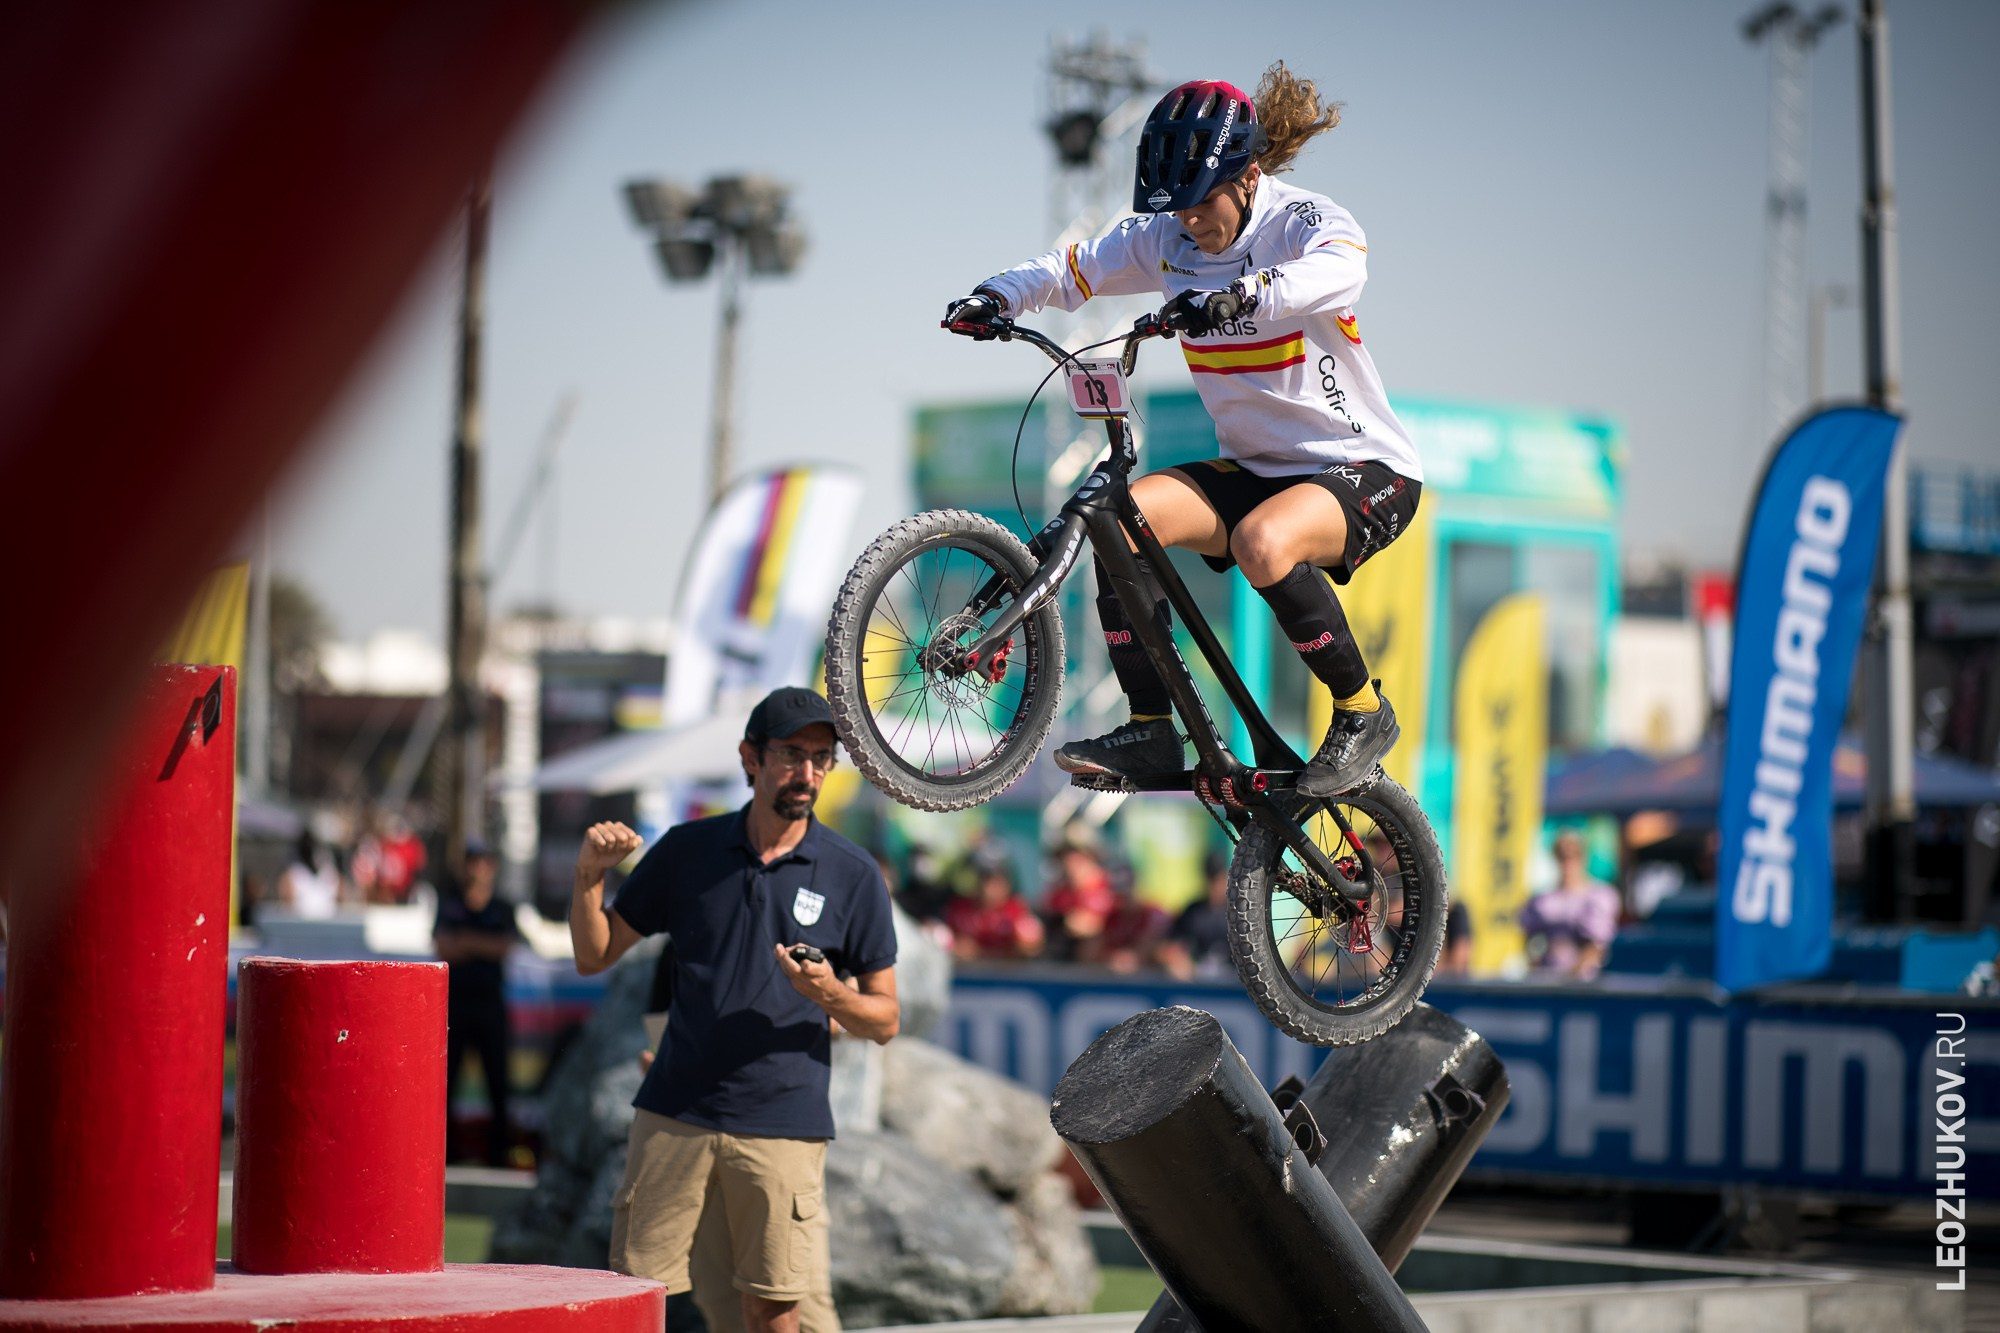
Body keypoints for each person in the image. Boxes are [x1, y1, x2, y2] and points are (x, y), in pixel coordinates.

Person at [945, 64, 1421, 800]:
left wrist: (1239, 296)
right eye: (1176, 209)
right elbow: (1071, 270)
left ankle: (1362, 711)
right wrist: (995, 295)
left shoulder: (1303, 222)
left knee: (1263, 542)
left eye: (1203, 204)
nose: (1190, 222)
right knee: (1117, 523)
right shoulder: (1165, 236)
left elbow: (1340, 271)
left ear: (1249, 175)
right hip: (1257, 468)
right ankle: (1151, 725)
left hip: (1364, 469)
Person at [569, 686, 899, 1333]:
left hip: (784, 1119)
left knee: (773, 1306)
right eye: (790, 753)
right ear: (750, 757)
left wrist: (830, 992)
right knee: (634, 1295)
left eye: (821, 757)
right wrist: (587, 877)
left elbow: (885, 1019)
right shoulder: (686, 851)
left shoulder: (854, 873)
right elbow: (595, 953)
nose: (807, 772)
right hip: (674, 1111)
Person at [433, 837, 522, 1166]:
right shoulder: (449, 903)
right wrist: (480, 945)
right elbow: (444, 947)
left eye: (483, 862)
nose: (477, 869)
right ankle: (448, 1155)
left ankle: (499, 1155)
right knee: (447, 1082)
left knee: (498, 1082)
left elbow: (505, 946)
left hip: (489, 1005)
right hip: (456, 1005)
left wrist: (467, 942)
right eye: (473, 862)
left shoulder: (502, 906)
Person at [1518, 830, 1622, 980]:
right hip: (1547, 980)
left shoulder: (1600, 895)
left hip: (1586, 984)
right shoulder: (1542, 900)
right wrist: (1536, 971)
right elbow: (1530, 943)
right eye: (1562, 855)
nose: (1568, 861)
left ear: (1584, 856)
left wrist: (1571, 977)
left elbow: (1597, 946)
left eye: (1574, 854)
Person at [943, 846, 1045, 961]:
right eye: (984, 879)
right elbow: (944, 943)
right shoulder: (959, 909)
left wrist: (1017, 947)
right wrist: (954, 947)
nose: (987, 887)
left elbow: (1031, 947)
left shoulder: (1017, 910)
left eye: (996, 880)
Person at [1159, 849, 1233, 980]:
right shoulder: (1194, 911)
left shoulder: (1238, 913)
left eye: (1218, 878)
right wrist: (1179, 960)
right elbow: (1170, 946)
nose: (1214, 885)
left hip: (1236, 982)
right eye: (1211, 879)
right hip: (1198, 979)